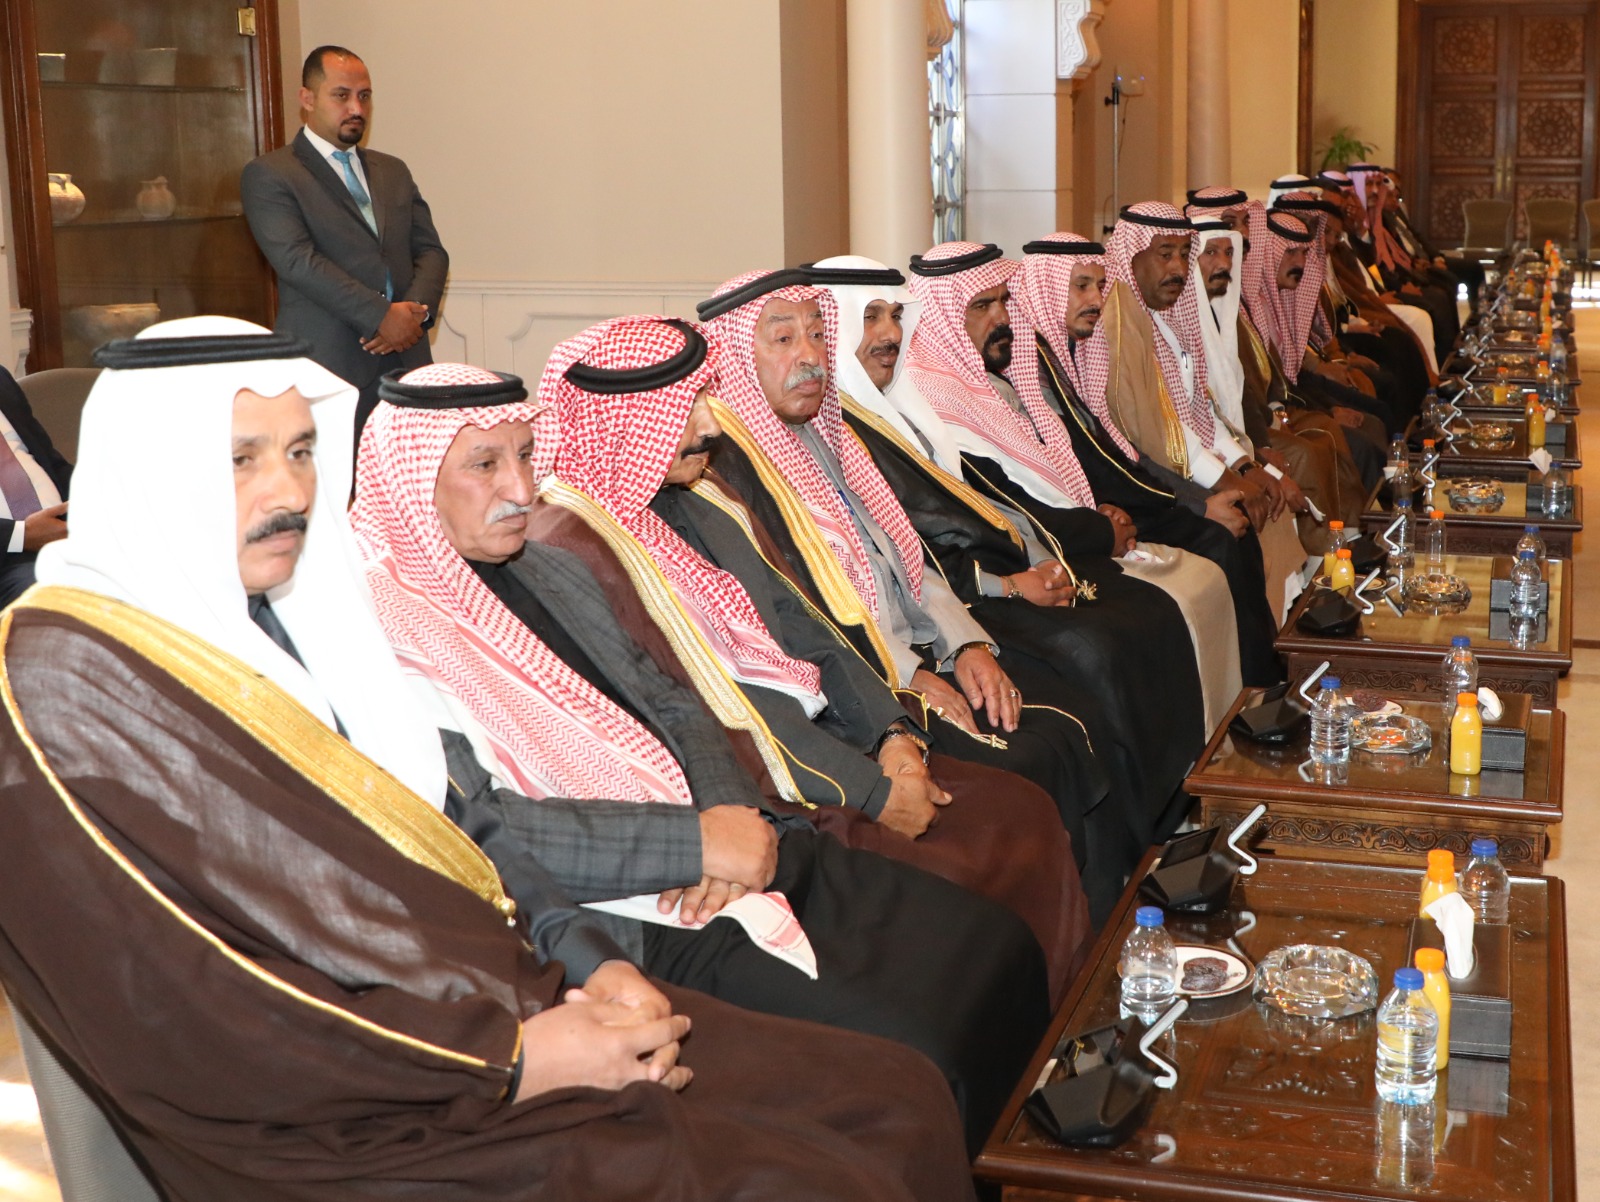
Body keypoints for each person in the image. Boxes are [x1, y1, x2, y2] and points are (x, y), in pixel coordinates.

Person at [0, 317, 975, 1201]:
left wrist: (591, 965)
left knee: (894, 1094)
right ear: (151, 473)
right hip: (356, 1124)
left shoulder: (286, 618)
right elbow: (203, 995)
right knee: (831, 1167)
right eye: (241, 458)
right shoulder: (67, 682)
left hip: (495, 1007)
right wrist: (515, 1060)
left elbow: (461, 820)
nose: (289, 491)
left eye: (300, 451)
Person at [349, 359, 1057, 1149]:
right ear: (411, 481)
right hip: (630, 919)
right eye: (484, 464)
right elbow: (477, 830)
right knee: (919, 1055)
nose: (520, 486)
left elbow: (675, 704)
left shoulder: (547, 569)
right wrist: (691, 845)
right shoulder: (381, 635)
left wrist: (723, 816)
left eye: (524, 453)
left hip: (730, 845)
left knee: (995, 948)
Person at [241, 45, 448, 436]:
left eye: (364, 96)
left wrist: (413, 317)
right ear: (307, 99)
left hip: (408, 362)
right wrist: (381, 316)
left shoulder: (393, 170)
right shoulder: (271, 174)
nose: (356, 108)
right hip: (328, 367)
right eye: (341, 95)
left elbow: (431, 251)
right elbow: (298, 261)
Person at [0, 364, 71, 606]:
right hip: (9, 559)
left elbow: (52, 464)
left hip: (65, 531)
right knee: (58, 592)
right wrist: (22, 535)